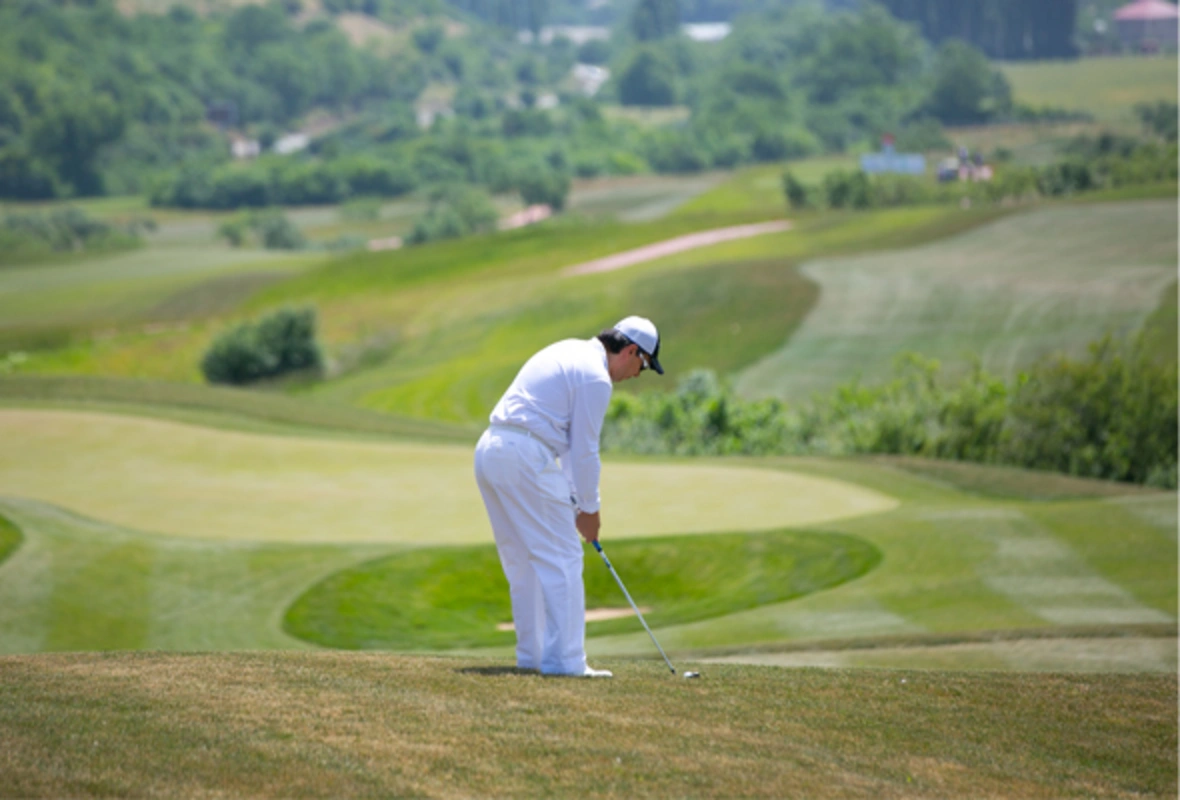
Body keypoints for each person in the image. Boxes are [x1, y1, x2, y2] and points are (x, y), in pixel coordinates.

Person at [474, 316, 664, 678]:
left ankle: (531, 658)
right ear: (631, 351)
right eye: (644, 364)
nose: (639, 374)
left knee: (524, 562)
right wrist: (590, 511)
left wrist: (575, 501)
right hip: (524, 455)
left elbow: (563, 447)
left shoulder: (570, 349)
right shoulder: (595, 377)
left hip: (490, 450)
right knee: (563, 557)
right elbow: (584, 452)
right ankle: (565, 662)